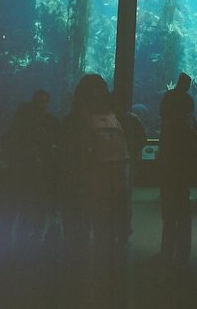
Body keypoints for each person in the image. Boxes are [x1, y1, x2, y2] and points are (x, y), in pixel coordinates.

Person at [60, 74, 130, 280]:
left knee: (77, 235)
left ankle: (76, 278)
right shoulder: (113, 120)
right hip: (110, 189)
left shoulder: (75, 120)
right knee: (104, 234)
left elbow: (69, 157)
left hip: (82, 188)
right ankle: (104, 275)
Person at [0, 89, 59, 251]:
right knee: (26, 208)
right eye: (41, 102)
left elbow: (6, 143)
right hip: (28, 173)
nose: (43, 106)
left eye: (44, 102)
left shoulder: (27, 121)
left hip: (26, 173)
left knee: (18, 209)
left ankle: (15, 241)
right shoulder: (43, 122)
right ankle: (25, 242)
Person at [155, 72, 197, 266]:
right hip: (184, 158)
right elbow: (190, 124)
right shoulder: (188, 102)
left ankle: (167, 250)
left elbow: (162, 116)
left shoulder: (168, 97)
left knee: (169, 206)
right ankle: (183, 252)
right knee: (182, 206)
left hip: (169, 156)